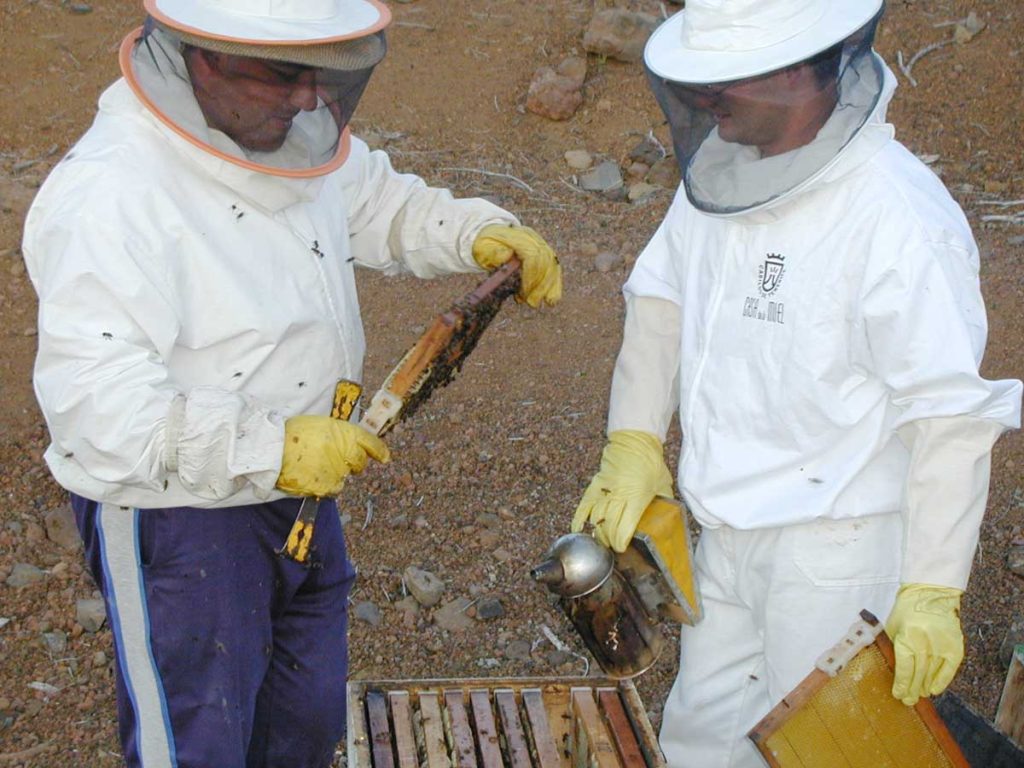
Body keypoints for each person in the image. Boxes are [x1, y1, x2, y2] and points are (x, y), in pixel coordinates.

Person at [21, 1, 561, 766]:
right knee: (198, 742)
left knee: (302, 724)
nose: (311, 97)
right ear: (204, 56)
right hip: (178, 517)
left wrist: (470, 230)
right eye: (285, 73)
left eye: (324, 72)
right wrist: (270, 445)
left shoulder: (282, 133)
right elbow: (99, 412)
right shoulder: (109, 195)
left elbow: (373, 198)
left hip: (301, 494)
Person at [570, 0, 1022, 765]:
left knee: (824, 751)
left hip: (836, 554)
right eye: (701, 82)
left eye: (728, 82)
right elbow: (660, 299)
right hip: (726, 532)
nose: (708, 102)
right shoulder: (715, 176)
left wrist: (932, 589)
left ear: (795, 72)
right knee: (700, 738)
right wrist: (634, 439)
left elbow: (947, 414)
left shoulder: (898, 218)